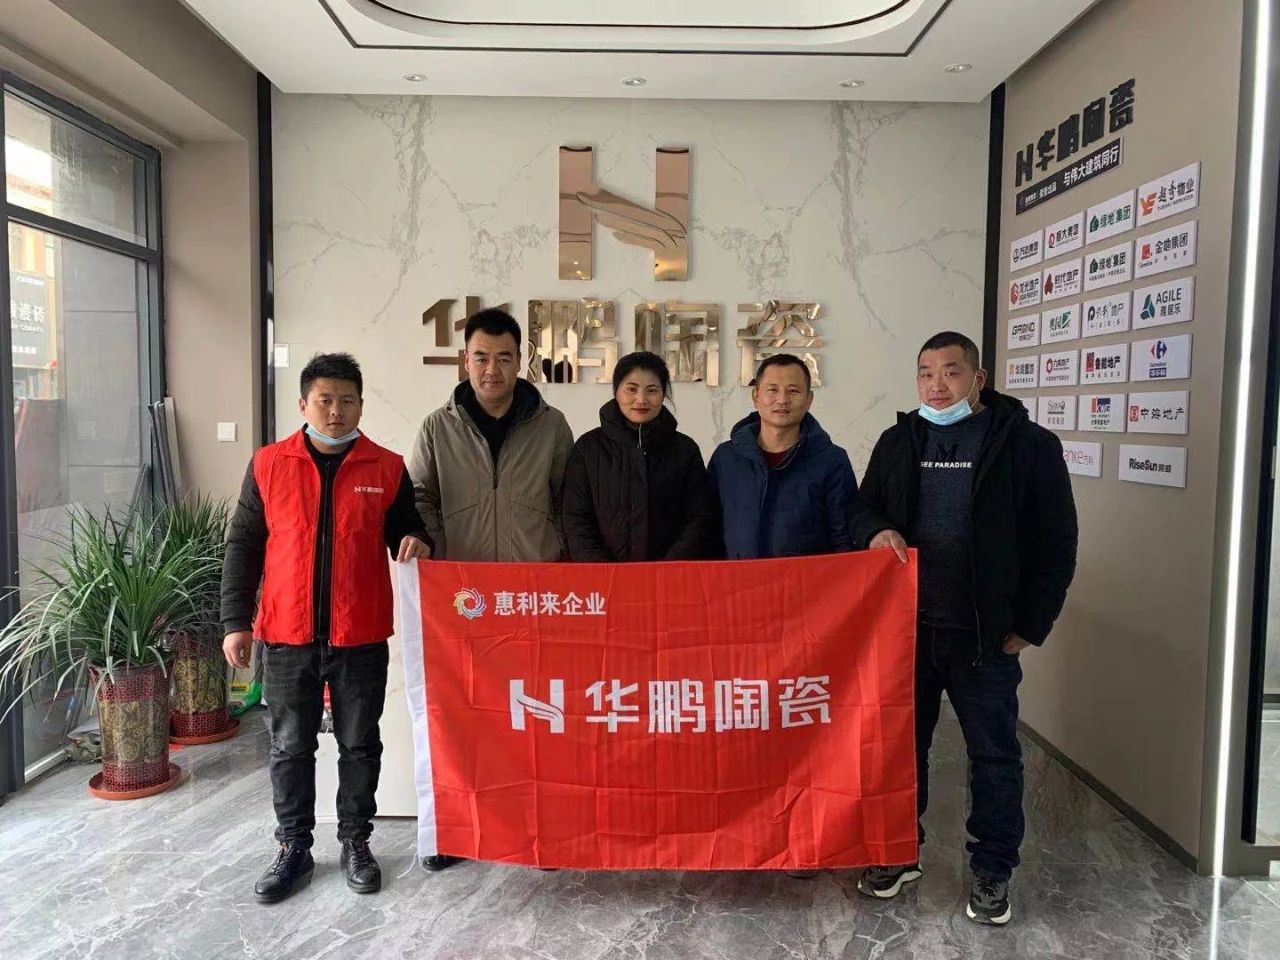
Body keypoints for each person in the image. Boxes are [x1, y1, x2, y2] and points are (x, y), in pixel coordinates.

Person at [850, 331, 1078, 926]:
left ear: (978, 378)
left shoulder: (1027, 444)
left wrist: (1032, 623)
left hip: (984, 635)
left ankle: (992, 869)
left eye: (950, 372)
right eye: (925, 373)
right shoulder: (900, 440)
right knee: (901, 752)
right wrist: (875, 530)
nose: (936, 385)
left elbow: (1057, 541)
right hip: (907, 631)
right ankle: (900, 852)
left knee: (994, 756)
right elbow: (862, 507)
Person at [221, 352, 432, 904]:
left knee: (360, 745)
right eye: (325, 400)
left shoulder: (386, 467)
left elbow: (408, 530)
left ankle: (356, 843)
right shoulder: (268, 465)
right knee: (290, 748)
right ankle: (293, 847)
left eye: (346, 400)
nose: (336, 411)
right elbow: (244, 545)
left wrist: (418, 541)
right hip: (286, 634)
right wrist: (235, 622)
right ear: (303, 405)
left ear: (361, 405)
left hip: (359, 634)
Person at [408, 308, 574, 871]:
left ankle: (541, 830)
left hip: (534, 594)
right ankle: (459, 833)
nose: (492, 370)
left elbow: (568, 501)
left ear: (520, 361)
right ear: (465, 360)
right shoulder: (438, 427)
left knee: (538, 718)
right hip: (464, 599)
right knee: (466, 719)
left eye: (504, 358)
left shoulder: (551, 426)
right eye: (481, 357)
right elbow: (419, 495)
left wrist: (561, 562)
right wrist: (435, 547)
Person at [561, 351, 715, 562]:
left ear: (663, 394)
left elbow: (699, 518)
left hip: (669, 576)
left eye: (652, 390)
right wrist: (607, 573)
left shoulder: (685, 451)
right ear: (616, 391)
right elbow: (576, 520)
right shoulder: (588, 449)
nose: (641, 399)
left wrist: (664, 571)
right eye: (631, 389)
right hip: (603, 577)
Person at [708, 353, 857, 559]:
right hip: (738, 578)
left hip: (807, 579)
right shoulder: (726, 458)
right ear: (755, 397)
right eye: (772, 390)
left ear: (809, 400)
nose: (782, 400)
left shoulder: (832, 461)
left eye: (793, 391)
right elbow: (709, 530)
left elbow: (843, 539)